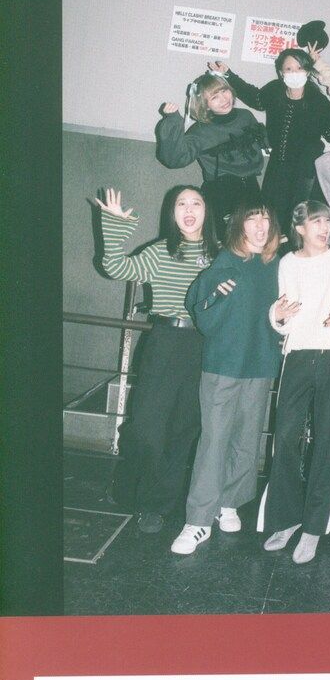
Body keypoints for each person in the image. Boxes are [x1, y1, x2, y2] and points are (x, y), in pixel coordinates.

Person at [96, 186, 218, 533]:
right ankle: (128, 481)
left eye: (196, 203)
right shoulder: (160, 251)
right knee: (147, 428)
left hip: (204, 345)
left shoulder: (221, 255)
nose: (189, 210)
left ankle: (156, 506)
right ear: (172, 213)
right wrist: (115, 225)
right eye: (181, 204)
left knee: (184, 430)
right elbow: (114, 266)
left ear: (206, 211)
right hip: (163, 341)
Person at [170, 201, 283, 555]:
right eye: (253, 219)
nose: (261, 226)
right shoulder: (224, 263)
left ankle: (229, 502)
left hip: (260, 363)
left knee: (247, 439)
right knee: (214, 440)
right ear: (239, 225)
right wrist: (215, 297)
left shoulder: (278, 266)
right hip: (223, 364)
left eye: (266, 219)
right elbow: (200, 311)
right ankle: (198, 520)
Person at [257, 201, 330, 565]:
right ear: (300, 228)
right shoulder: (288, 263)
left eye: (327, 221)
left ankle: (314, 527)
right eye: (316, 222)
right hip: (299, 355)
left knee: (329, 441)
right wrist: (278, 314)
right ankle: (286, 518)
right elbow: (284, 315)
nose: (324, 228)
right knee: (285, 436)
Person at [206, 51, 330, 235]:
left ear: (307, 71)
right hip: (278, 166)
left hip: (306, 170)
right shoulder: (274, 90)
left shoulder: (317, 101)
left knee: (298, 223)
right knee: (271, 221)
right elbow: (255, 98)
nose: (294, 73)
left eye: (299, 68)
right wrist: (228, 74)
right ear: (281, 72)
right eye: (289, 69)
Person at [155, 71, 266, 236]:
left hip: (251, 188)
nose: (223, 99)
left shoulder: (245, 116)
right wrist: (172, 121)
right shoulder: (201, 130)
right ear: (205, 105)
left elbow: (264, 141)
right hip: (220, 192)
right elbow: (174, 159)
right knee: (223, 239)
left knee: (253, 237)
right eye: (214, 97)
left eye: (224, 91)